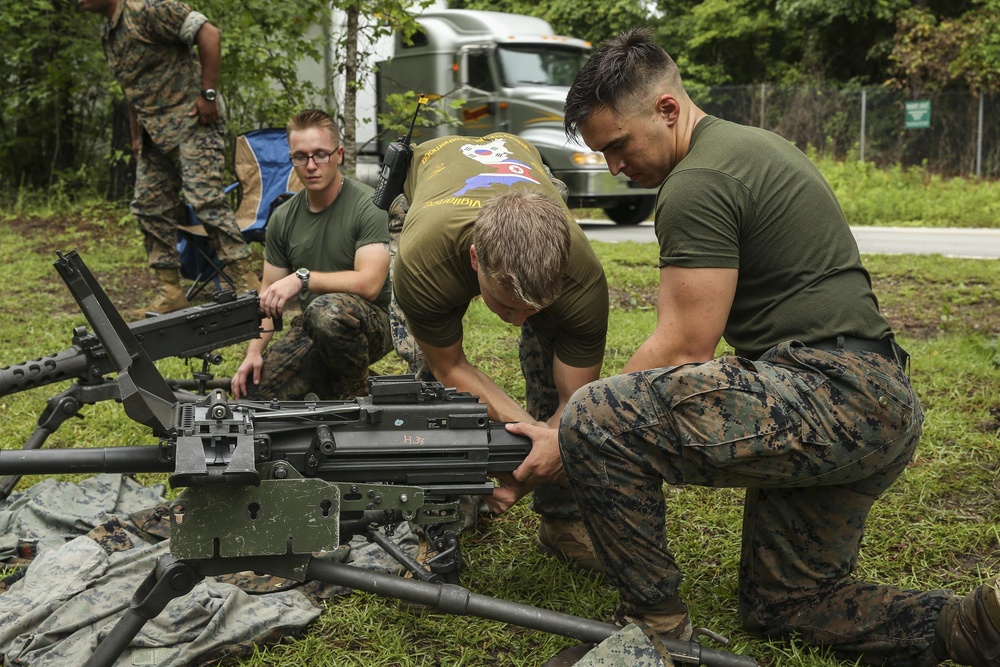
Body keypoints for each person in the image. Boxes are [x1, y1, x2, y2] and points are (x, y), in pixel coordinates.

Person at [536, 28, 999, 667]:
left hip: (832, 393)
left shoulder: (696, 181)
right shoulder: (750, 146)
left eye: (618, 145)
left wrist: (563, 432)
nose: (615, 167)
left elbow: (682, 348)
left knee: (596, 416)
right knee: (785, 601)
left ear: (667, 109)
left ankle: (655, 632)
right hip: (878, 403)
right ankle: (968, 628)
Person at [389, 133, 609, 569]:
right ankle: (439, 519)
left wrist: (544, 453)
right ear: (474, 260)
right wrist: (537, 441)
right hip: (429, 188)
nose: (517, 320)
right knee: (429, 378)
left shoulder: (582, 279)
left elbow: (574, 401)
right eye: (507, 306)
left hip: (526, 169)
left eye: (534, 307)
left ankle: (562, 522)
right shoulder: (423, 259)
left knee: (552, 357)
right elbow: (449, 364)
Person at [80, 0, 259, 319]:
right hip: (155, 133)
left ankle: (247, 281)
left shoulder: (148, 9)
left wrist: (208, 94)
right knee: (147, 206)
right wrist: (136, 135)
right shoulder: (108, 31)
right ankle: (171, 291)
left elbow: (210, 33)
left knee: (204, 198)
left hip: (195, 121)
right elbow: (130, 86)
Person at [231, 109, 392, 401]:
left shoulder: (368, 206)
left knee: (325, 313)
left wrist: (303, 279)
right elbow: (267, 295)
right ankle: (334, 381)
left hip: (374, 323)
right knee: (253, 395)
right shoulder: (282, 218)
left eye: (320, 154)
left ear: (339, 154)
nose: (311, 165)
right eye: (300, 156)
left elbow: (369, 284)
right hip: (314, 326)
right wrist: (254, 353)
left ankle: (358, 395)